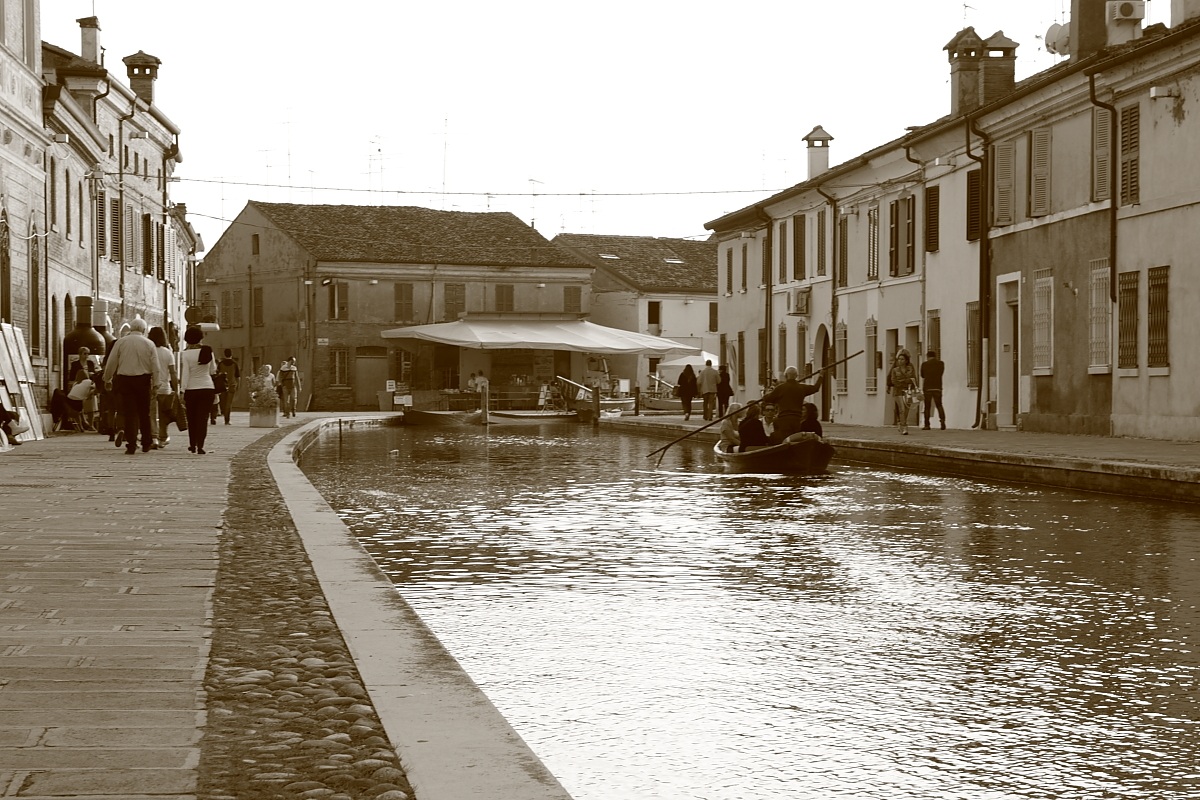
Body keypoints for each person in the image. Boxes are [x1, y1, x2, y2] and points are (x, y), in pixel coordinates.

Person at [102, 317, 163, 455]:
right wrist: (156, 384)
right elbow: (156, 366)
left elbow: (112, 362)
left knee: (130, 413)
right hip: (143, 380)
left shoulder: (121, 342)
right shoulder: (149, 344)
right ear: (143, 330)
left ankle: (131, 444)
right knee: (144, 413)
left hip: (126, 380)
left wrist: (107, 378)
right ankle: (146, 442)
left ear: (131, 329)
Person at [179, 327, 217, 454]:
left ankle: (192, 444)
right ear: (201, 337)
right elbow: (213, 370)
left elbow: (185, 374)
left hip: (191, 389)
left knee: (192, 418)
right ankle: (201, 445)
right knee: (203, 418)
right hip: (207, 387)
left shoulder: (185, 354)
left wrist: (182, 390)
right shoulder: (208, 350)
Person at [759, 365, 821, 441]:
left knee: (784, 441)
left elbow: (767, 399)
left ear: (785, 375)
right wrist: (821, 376)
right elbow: (815, 388)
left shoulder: (780, 388)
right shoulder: (801, 388)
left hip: (784, 420)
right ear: (796, 376)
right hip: (797, 420)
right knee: (795, 440)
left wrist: (770, 391)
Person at [147, 326, 177, 448]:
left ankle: (154, 437)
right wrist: (176, 388)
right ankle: (163, 437)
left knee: (152, 414)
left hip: (152, 387)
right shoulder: (167, 352)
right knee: (164, 414)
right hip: (165, 387)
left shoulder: (148, 351)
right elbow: (173, 372)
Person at [887, 350, 918, 435]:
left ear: (906, 360)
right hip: (898, 392)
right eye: (899, 359)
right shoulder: (895, 370)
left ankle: (901, 423)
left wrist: (911, 385)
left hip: (908, 391)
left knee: (907, 410)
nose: (900, 361)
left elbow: (913, 379)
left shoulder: (910, 368)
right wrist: (905, 381)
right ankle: (904, 427)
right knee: (902, 410)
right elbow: (894, 381)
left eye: (902, 359)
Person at [921, 349, 946, 430]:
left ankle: (927, 424)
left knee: (927, 407)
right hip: (938, 387)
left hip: (927, 387)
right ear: (935, 356)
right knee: (939, 405)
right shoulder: (941, 363)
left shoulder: (924, 364)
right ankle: (942, 422)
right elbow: (941, 373)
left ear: (927, 356)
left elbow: (922, 375)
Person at [216, 349, 240, 425]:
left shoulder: (220, 364)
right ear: (231, 354)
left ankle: (224, 416)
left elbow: (217, 374)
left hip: (222, 385)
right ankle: (227, 420)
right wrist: (238, 385)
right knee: (228, 403)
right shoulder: (234, 364)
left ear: (224, 354)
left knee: (223, 402)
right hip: (232, 385)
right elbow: (238, 376)